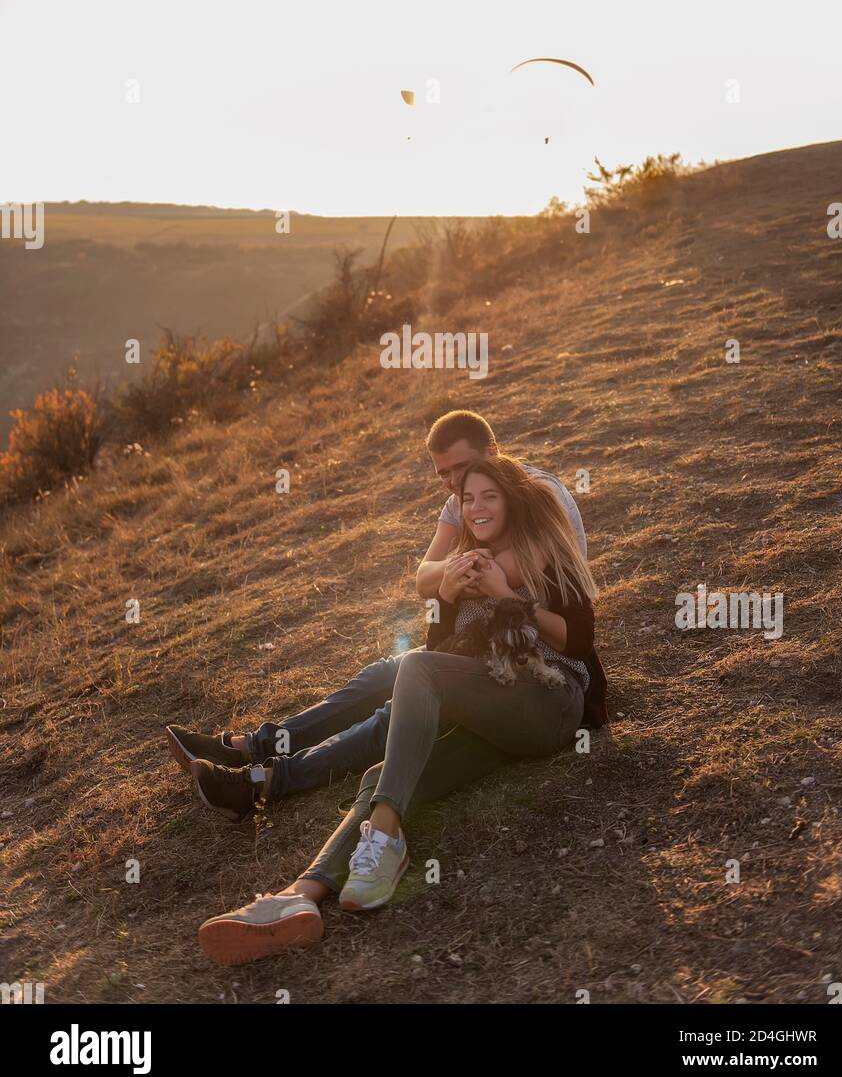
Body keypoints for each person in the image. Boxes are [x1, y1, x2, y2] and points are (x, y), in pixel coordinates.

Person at [197, 456, 607, 964]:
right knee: (381, 776)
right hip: (496, 719)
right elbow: (446, 660)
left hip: (550, 702)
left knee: (413, 668)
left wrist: (506, 596)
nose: (475, 507)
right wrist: (450, 596)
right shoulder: (466, 562)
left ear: (511, 500)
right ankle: (301, 896)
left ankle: (383, 839)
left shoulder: (543, 548)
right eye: (467, 499)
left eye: (488, 496)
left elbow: (581, 641)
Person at [164, 410, 588, 821]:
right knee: (383, 673)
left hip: (526, 660)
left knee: (398, 700)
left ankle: (265, 781)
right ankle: (255, 748)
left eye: (463, 468)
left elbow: (504, 572)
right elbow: (426, 579)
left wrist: (466, 573)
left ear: (493, 451)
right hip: (479, 644)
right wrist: (452, 580)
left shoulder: (536, 494)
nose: (455, 484)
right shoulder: (466, 500)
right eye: (444, 475)